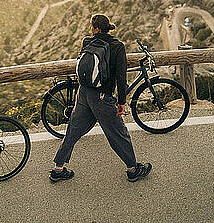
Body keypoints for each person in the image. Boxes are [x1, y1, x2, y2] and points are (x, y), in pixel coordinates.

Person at [50, 13, 152, 183]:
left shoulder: (86, 42)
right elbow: (121, 76)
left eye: (92, 26)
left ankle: (58, 169)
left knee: (73, 131)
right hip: (103, 97)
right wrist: (121, 102)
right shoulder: (117, 46)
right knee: (118, 133)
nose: (91, 29)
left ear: (96, 29)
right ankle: (133, 169)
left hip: (83, 94)